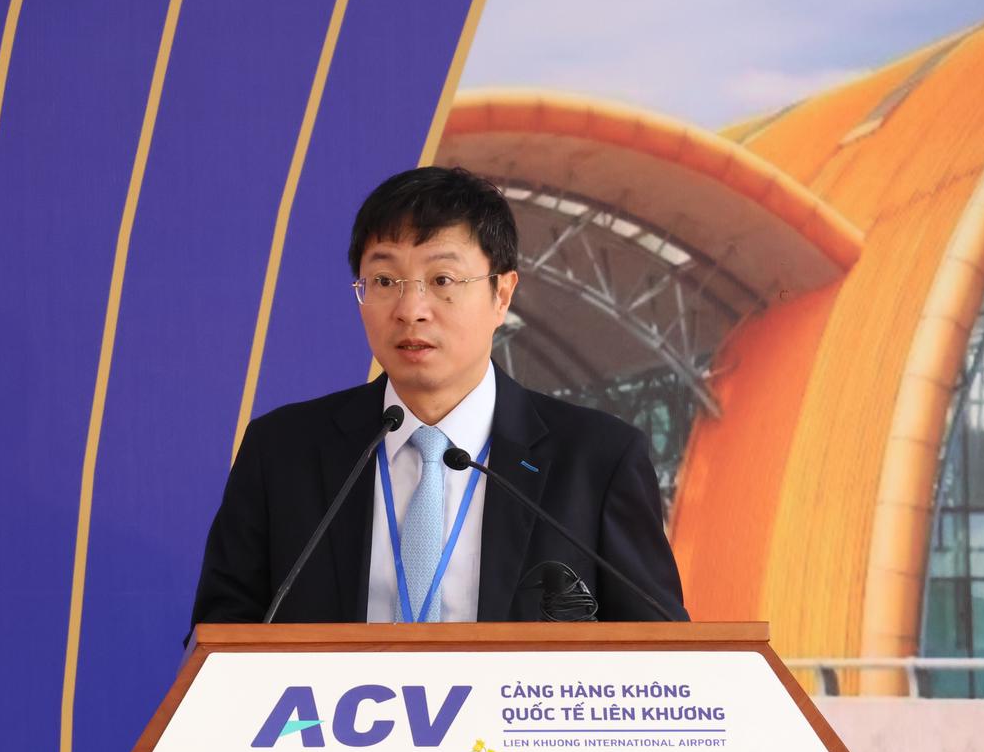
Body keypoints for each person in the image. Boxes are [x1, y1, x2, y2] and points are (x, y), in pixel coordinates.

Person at [189, 166, 686, 625]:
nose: (411, 309)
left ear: (502, 294)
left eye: (442, 279)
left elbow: (662, 652)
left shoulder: (597, 461)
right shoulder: (282, 453)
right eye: (385, 280)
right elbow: (220, 636)